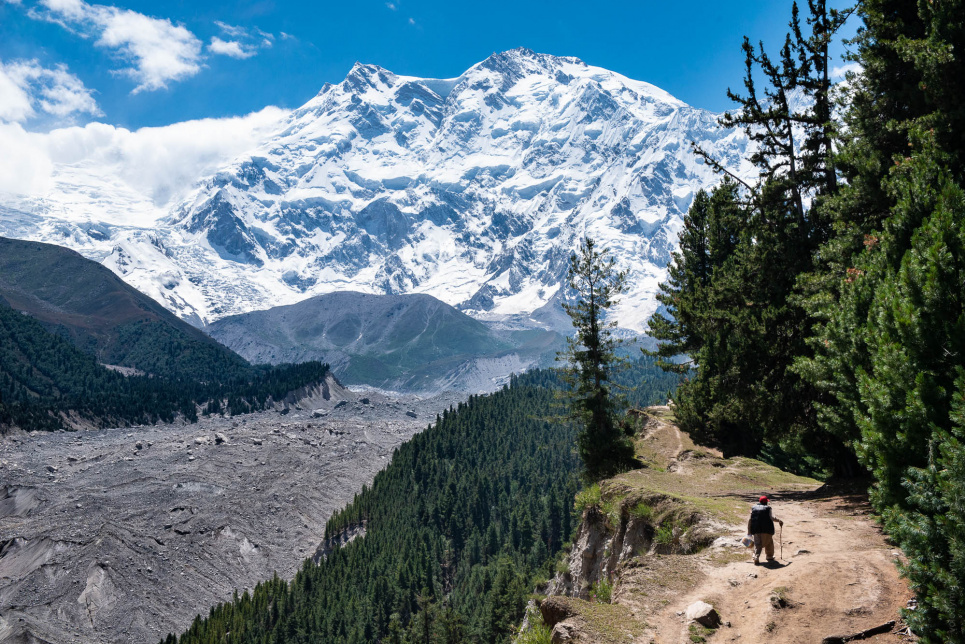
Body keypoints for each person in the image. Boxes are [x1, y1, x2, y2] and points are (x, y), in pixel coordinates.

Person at [747, 496, 783, 564]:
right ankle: (769, 556)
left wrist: (749, 531)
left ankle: (756, 557)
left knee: (757, 544)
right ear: (766, 502)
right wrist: (779, 520)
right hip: (767, 529)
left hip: (756, 529)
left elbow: (750, 520)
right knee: (769, 543)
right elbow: (772, 517)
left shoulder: (754, 508)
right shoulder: (768, 508)